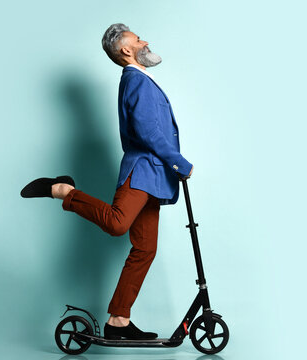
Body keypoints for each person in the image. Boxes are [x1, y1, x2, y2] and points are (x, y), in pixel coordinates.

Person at [21, 23, 193, 340]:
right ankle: (62, 190)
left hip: (155, 177)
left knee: (145, 249)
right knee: (117, 224)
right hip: (143, 170)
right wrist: (178, 162)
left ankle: (118, 321)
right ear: (126, 49)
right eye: (137, 38)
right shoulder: (136, 81)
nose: (145, 40)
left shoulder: (142, 80)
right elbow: (147, 131)